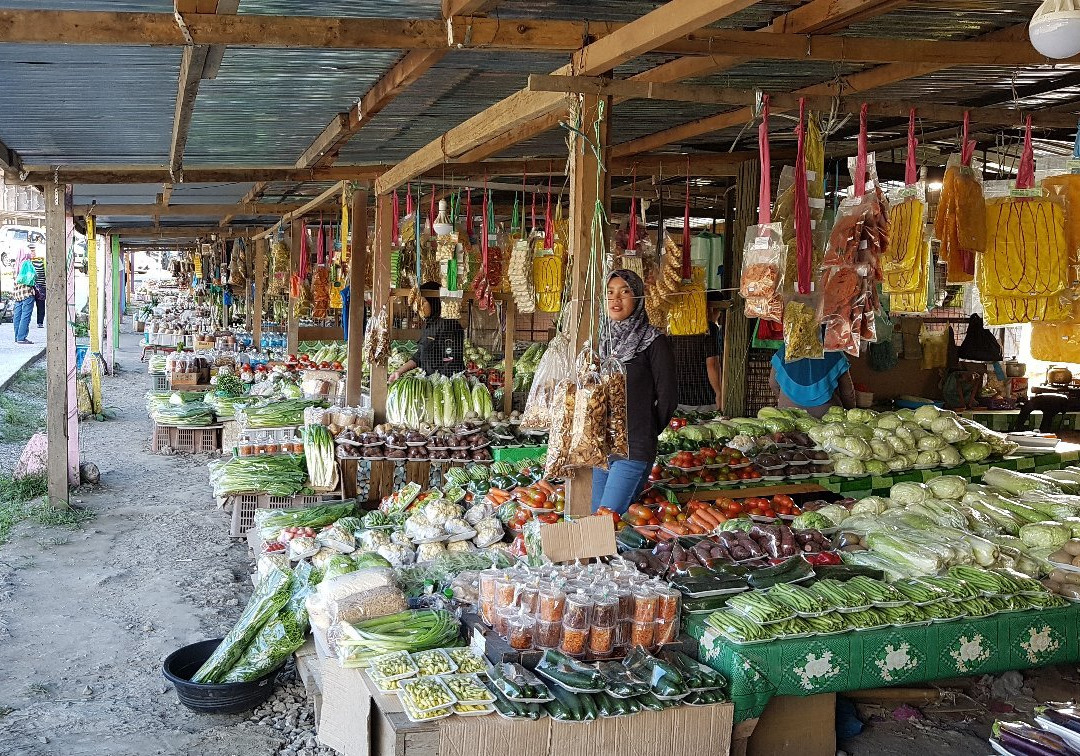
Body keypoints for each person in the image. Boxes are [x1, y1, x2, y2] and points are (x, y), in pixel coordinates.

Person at [592, 269, 678, 515]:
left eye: (624, 292)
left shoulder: (653, 341)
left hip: (633, 448)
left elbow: (668, 396)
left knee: (606, 518)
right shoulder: (601, 341)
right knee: (595, 520)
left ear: (638, 298)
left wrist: (645, 430)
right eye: (610, 293)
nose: (616, 300)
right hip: (601, 447)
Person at [389, 282, 465, 380]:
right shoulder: (428, 323)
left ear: (434, 302)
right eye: (419, 303)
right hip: (430, 380)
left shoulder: (448, 325)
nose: (420, 307)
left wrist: (439, 384)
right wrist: (399, 371)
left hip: (444, 384)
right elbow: (419, 355)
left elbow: (451, 361)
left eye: (423, 302)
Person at [769, 345, 856, 419]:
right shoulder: (834, 351)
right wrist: (850, 413)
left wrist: (786, 400)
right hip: (826, 417)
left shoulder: (786, 349)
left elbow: (773, 384)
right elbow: (848, 393)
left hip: (788, 415)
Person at [11, 247, 36, 344]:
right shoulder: (27, 264)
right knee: (25, 315)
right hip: (27, 293)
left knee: (17, 316)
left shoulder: (16, 265)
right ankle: (21, 337)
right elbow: (31, 278)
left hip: (17, 295)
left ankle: (17, 336)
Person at [29, 243, 45, 329]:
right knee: (30, 304)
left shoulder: (42, 261)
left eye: (34, 251)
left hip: (41, 286)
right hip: (32, 287)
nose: (33, 253)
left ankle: (40, 322)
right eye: (31, 251)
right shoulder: (28, 262)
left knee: (41, 305)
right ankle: (27, 321)